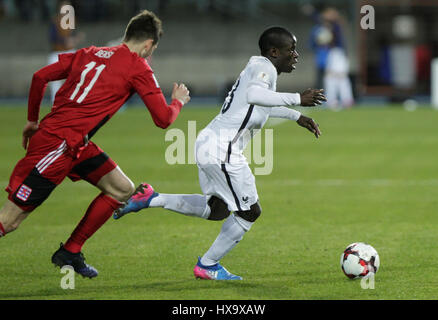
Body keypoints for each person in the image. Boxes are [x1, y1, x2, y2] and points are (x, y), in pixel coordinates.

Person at [113, 27, 325, 280]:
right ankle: (207, 264)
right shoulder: (264, 68)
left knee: (218, 209)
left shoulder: (258, 67)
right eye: (291, 50)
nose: (296, 55)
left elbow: (259, 104)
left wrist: (296, 116)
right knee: (250, 211)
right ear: (274, 52)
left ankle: (151, 198)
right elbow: (255, 95)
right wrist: (298, 99)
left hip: (209, 143)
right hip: (222, 150)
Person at [0, 10, 190, 278]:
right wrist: (178, 102)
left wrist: (32, 120)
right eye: (152, 49)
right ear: (148, 44)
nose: (150, 54)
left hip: (75, 143)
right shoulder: (138, 67)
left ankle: (70, 251)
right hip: (57, 146)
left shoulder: (90, 52)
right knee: (10, 220)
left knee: (122, 189)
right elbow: (163, 119)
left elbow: (39, 77)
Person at [48, 0, 85, 103]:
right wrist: (66, 41)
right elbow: (53, 38)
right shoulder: (55, 21)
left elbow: (73, 37)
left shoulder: (71, 21)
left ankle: (72, 101)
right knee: (55, 81)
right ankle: (54, 102)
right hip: (57, 53)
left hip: (70, 52)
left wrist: (76, 39)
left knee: (75, 78)